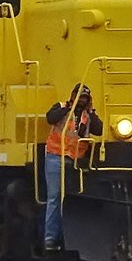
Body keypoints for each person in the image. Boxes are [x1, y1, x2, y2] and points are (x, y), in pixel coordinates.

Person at [43, 83, 103, 251]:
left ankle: (67, 236)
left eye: (84, 98)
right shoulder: (61, 107)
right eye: (79, 97)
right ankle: (50, 237)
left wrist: (91, 112)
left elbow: (99, 130)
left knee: (71, 199)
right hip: (55, 156)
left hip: (75, 161)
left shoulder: (88, 116)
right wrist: (69, 107)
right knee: (54, 197)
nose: (81, 101)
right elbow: (50, 118)